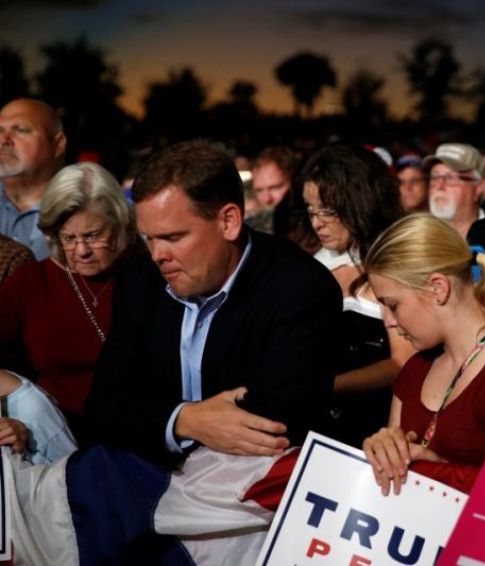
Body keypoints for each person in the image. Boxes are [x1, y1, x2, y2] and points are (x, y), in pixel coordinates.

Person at [84, 140, 342, 470]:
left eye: (172, 237)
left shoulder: (301, 288)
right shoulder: (140, 280)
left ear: (229, 221)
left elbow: (276, 426)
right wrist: (185, 420)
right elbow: (105, 407)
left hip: (254, 494)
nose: (157, 255)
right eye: (148, 238)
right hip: (149, 482)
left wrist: (158, 416)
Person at [361, 214, 485, 495]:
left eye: (392, 305)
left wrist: (440, 473)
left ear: (438, 288)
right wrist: (384, 448)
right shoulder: (416, 369)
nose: (389, 321)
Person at [0, 162, 138, 439]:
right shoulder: (31, 283)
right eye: (68, 238)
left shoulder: (148, 274)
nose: (82, 250)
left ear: (119, 224)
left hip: (142, 434)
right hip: (56, 442)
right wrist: (10, 417)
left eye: (93, 235)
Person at [300, 144, 415, 446]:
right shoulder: (313, 265)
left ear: (361, 202)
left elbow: (403, 363)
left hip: (373, 431)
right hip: (312, 427)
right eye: (311, 210)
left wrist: (328, 385)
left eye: (328, 210)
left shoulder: (396, 265)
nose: (316, 222)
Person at [0, 98, 67, 259]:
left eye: (21, 130)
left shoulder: (84, 209)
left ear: (58, 145)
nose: (4, 140)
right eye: (0, 130)